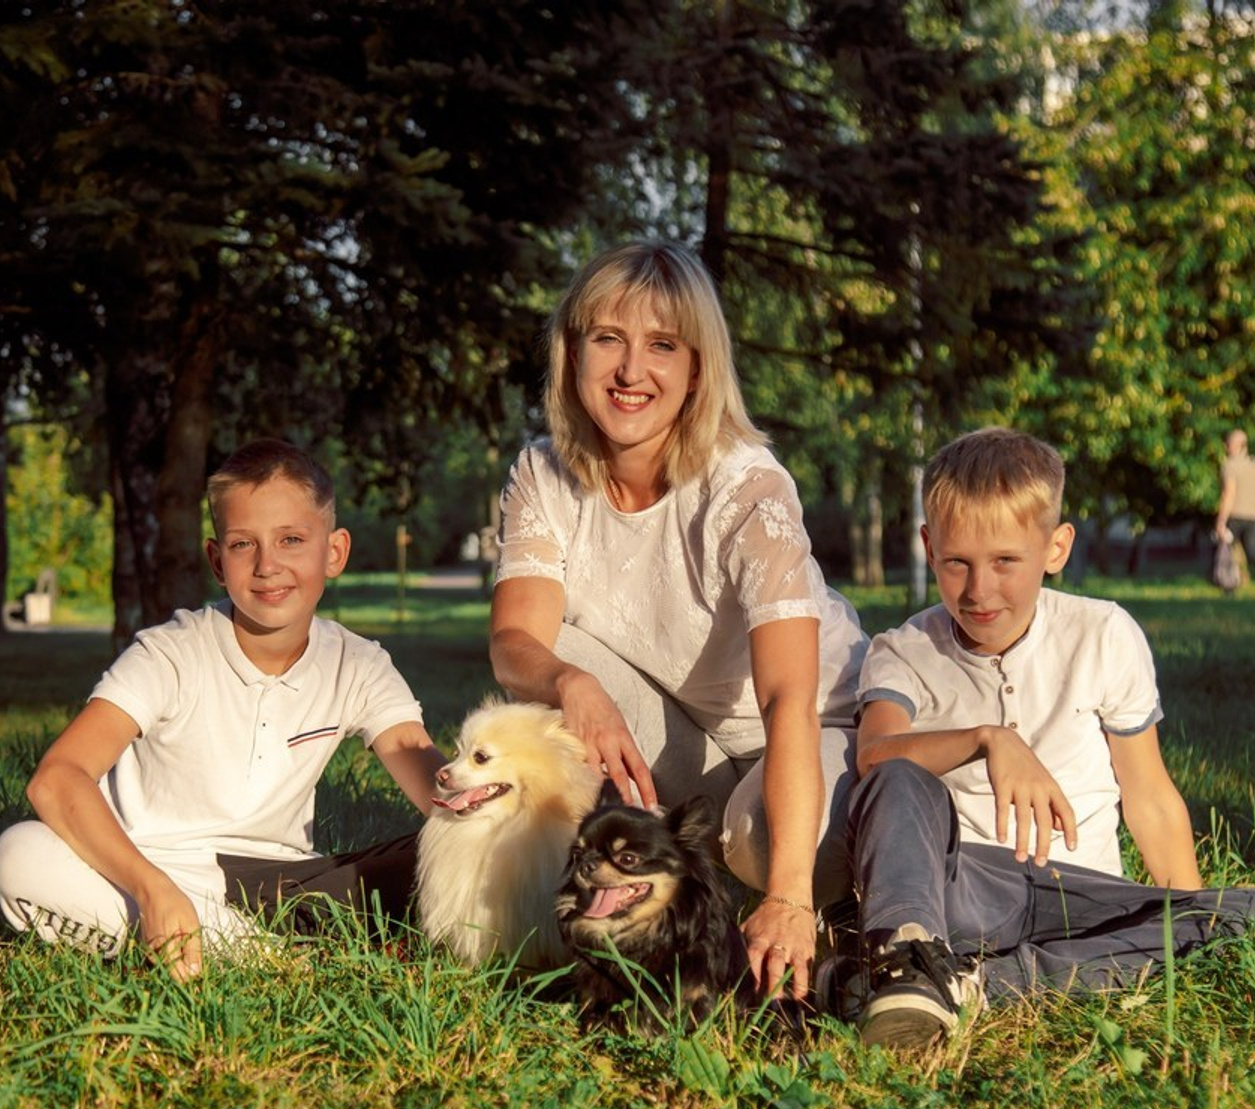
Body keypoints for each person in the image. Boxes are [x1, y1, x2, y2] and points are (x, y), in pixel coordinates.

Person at [488, 241, 868, 1002]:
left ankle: (828, 906)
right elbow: (514, 641)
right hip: (691, 738)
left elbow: (788, 699)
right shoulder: (542, 472)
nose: (631, 371)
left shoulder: (747, 487)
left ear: (697, 369)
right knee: (547, 674)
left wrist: (788, 895)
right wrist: (572, 683)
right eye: (609, 339)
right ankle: (582, 911)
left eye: (662, 345)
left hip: (811, 734)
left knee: (757, 844)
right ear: (572, 353)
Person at [816, 427, 1255, 1050]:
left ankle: (969, 986)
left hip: (1083, 894)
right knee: (898, 776)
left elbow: (1149, 796)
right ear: (929, 547)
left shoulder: (1103, 633)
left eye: (1005, 562)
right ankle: (909, 957)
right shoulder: (903, 651)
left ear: (1056, 548)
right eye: (957, 563)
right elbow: (875, 757)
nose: (979, 590)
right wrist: (987, 739)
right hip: (966, 892)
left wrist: (1186, 914)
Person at [0, 440, 445, 981]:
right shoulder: (169, 653)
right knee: (18, 854)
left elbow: (426, 774)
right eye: (242, 544)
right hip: (147, 866)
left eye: (291, 540)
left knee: (449, 848)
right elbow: (56, 779)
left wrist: (496, 811)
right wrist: (151, 887)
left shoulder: (358, 663)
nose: (268, 565)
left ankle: (214, 941)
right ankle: (263, 956)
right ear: (217, 560)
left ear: (334, 551)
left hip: (285, 886)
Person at [1215, 428, 1255, 592]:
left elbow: (1229, 494)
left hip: (1236, 516)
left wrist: (1221, 520)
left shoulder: (1230, 465)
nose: (1226, 447)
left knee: (1224, 548)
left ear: (1237, 445)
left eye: (1228, 444)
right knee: (1254, 554)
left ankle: (1227, 585)